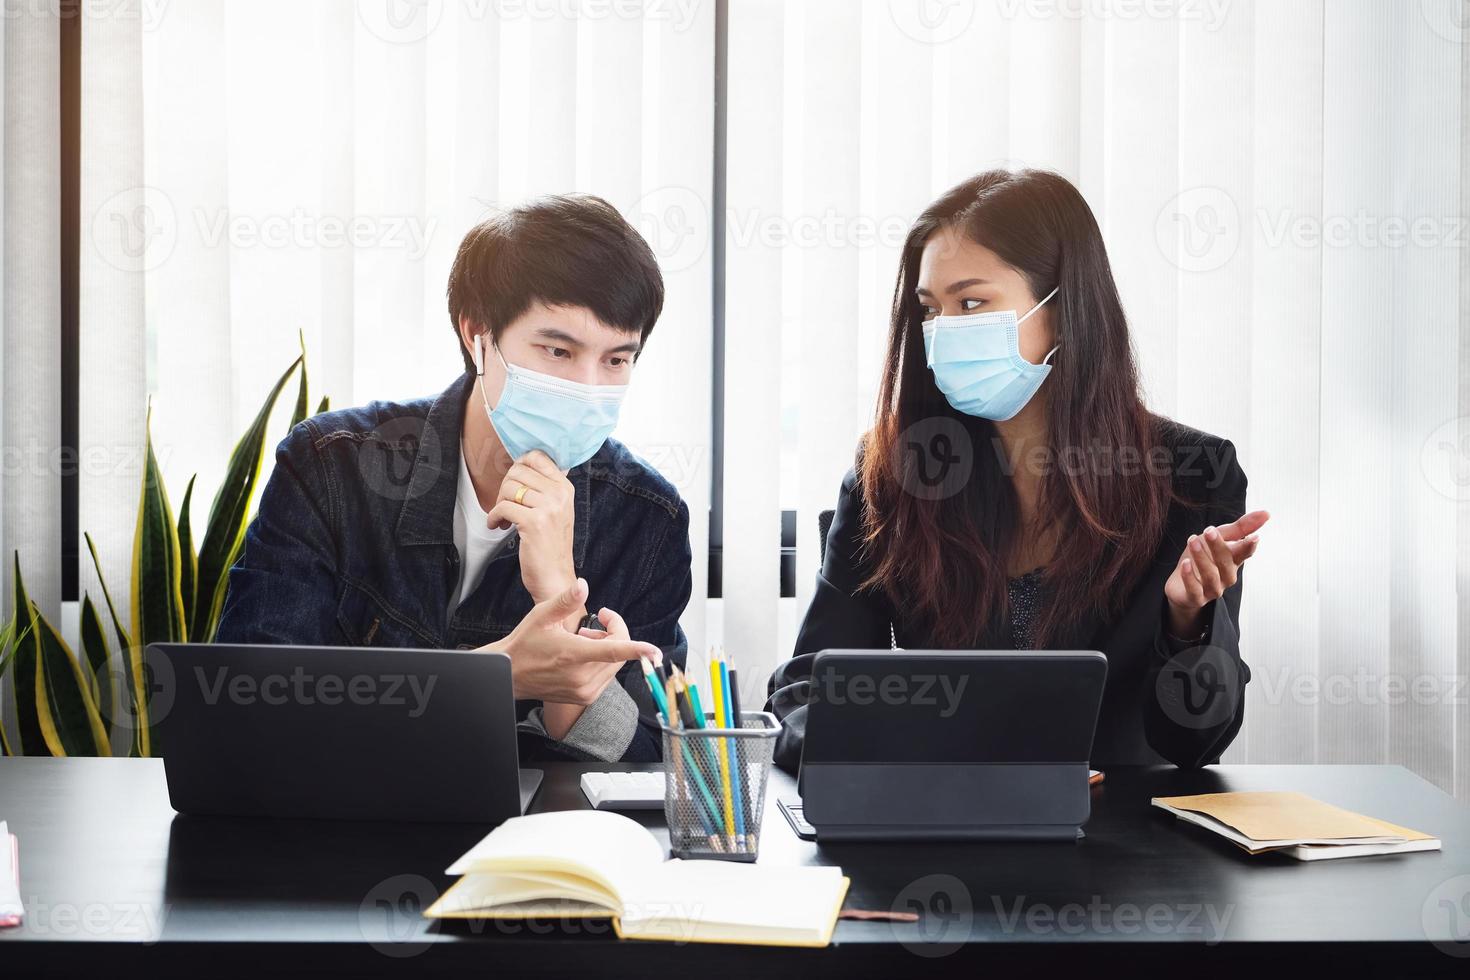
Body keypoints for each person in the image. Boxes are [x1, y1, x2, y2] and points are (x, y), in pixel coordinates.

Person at [766, 169, 1269, 774]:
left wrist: (1189, 624)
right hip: (940, 842)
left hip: (1121, 849)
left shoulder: (1191, 476)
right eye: (931, 310)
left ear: (1062, 309)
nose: (945, 331)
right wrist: (911, 753)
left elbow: (1198, 744)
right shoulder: (897, 475)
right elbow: (804, 696)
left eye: (972, 303)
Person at [215, 194, 692, 764]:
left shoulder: (647, 518)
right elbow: (246, 713)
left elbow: (665, 765)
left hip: (537, 846)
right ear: (478, 334)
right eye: (558, 350)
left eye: (616, 360)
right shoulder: (331, 468)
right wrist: (492, 678)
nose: (587, 386)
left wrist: (564, 613)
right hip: (338, 838)